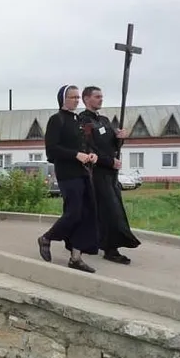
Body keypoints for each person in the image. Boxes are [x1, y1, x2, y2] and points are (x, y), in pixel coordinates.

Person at [37, 85, 99, 273]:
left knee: (85, 213)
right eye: (73, 97)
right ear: (63, 99)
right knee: (73, 212)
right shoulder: (56, 120)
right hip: (67, 173)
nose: (76, 100)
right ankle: (46, 237)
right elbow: (52, 150)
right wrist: (75, 155)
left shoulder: (79, 120)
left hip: (83, 172)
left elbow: (86, 145)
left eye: (78, 97)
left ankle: (76, 257)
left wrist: (91, 154)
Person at [79, 86, 140, 264]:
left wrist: (121, 137)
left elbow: (113, 144)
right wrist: (108, 161)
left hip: (110, 174)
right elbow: (89, 148)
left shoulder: (104, 120)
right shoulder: (84, 121)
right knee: (109, 210)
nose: (101, 99)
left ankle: (96, 242)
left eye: (102, 96)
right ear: (86, 99)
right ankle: (111, 249)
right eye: (97, 97)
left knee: (108, 209)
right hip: (95, 173)